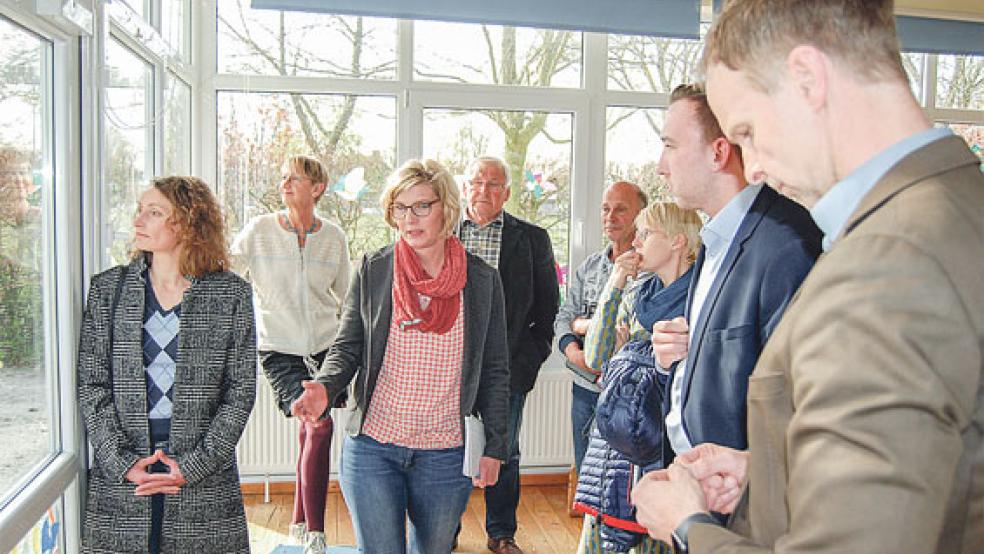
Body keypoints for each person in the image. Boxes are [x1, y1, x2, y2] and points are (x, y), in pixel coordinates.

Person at [632, 2, 984, 553]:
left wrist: (688, 526)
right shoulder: (958, 206)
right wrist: (769, 474)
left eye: (747, 131)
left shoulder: (881, 266)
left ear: (807, 78)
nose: (754, 166)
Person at [292, 158, 510, 554]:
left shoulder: (481, 280)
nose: (410, 218)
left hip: (446, 452)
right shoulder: (375, 269)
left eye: (422, 206)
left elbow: (495, 371)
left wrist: (495, 447)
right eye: (400, 207)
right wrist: (324, 388)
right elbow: (348, 346)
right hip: (375, 446)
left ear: (446, 206)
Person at [77, 176, 256, 553]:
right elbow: (92, 385)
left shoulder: (230, 294)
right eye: (140, 211)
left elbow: (240, 391)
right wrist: (122, 461)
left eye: (154, 212)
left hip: (204, 480)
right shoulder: (107, 290)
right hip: (123, 478)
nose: (139, 221)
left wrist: (193, 465)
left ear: (190, 221)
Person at [648, 84, 820, 474]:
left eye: (671, 146)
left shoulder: (786, 247)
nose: (661, 165)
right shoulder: (716, 238)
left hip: (744, 502)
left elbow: (797, 407)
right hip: (699, 485)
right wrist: (676, 358)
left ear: (718, 153)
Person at [230, 155, 351, 554]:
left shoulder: (333, 236)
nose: (284, 185)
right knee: (318, 425)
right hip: (279, 348)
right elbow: (227, 272)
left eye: (294, 179)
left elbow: (346, 296)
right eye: (282, 178)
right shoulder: (260, 231)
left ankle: (299, 521)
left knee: (309, 427)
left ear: (317, 188)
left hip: (326, 346)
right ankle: (316, 533)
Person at [573, 201, 701, 553]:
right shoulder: (638, 293)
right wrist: (615, 281)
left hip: (662, 448)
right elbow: (597, 355)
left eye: (646, 233)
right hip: (613, 449)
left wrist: (629, 350)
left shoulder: (701, 298)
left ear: (677, 241)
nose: (636, 242)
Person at [459, 155, 559, 554]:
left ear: (508, 193)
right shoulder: (445, 232)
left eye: (494, 184)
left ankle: (501, 533)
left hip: (507, 368)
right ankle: (443, 528)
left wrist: (525, 368)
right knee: (445, 449)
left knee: (505, 451)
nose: (484, 190)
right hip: (449, 365)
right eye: (477, 182)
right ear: (465, 187)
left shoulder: (532, 239)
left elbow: (547, 310)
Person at [555, 181, 647, 474]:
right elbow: (564, 317)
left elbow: (628, 328)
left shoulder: (648, 269)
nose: (611, 217)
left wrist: (586, 324)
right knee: (587, 474)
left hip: (629, 393)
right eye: (606, 209)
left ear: (640, 215)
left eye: (621, 210)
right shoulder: (591, 266)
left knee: (621, 480)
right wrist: (574, 352)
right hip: (586, 389)